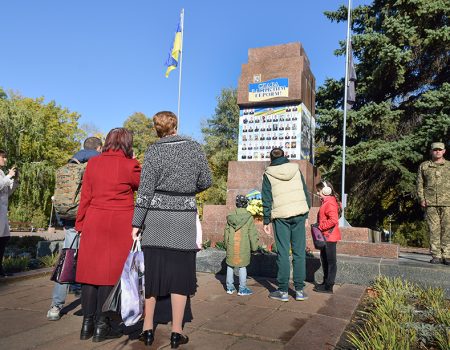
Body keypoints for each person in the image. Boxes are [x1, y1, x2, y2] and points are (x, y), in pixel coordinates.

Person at [131, 111, 212, 348]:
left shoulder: (154, 150)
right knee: (180, 276)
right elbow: (206, 180)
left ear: (157, 129)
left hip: (155, 220)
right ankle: (176, 332)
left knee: (152, 275)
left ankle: (147, 330)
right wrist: (187, 190)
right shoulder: (195, 147)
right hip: (183, 220)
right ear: (175, 125)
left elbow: (145, 190)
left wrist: (136, 223)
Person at [75, 128, 141, 342]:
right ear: (127, 144)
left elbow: (85, 196)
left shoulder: (93, 163)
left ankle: (87, 325)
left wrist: (80, 224)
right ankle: (103, 325)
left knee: (89, 274)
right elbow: (142, 186)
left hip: (94, 220)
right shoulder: (131, 165)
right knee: (109, 275)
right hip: (120, 223)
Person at [47, 136, 102, 321]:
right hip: (88, 219)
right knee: (94, 261)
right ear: (99, 148)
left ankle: (55, 306)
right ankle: (94, 310)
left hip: (68, 219)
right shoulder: (96, 163)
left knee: (68, 257)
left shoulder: (67, 166)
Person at [262, 148, 310, 302]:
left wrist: (266, 220)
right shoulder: (296, 169)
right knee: (299, 252)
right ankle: (300, 290)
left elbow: (267, 198)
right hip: (299, 214)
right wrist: (307, 214)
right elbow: (304, 191)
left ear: (271, 158)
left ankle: (282, 291)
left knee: (283, 253)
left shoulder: (268, 174)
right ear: (285, 156)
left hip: (281, 216)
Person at [416, 142, 450, 265]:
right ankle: (436, 255)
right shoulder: (424, 166)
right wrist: (422, 199)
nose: (437, 152)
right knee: (433, 229)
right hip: (430, 203)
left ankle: (447, 255)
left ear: (444, 151)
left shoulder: (449, 166)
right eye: (435, 150)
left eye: (440, 150)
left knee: (447, 229)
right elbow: (419, 184)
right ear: (431, 151)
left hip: (448, 203)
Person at [224, 195, 259, 296]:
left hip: (232, 245)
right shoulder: (248, 217)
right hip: (243, 246)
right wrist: (254, 247)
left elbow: (226, 232)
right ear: (246, 204)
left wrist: (226, 244)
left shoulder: (230, 216)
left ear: (236, 204)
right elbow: (252, 233)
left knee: (230, 265)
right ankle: (242, 289)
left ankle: (230, 288)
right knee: (242, 266)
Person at [313, 181, 341, 294]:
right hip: (325, 237)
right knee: (325, 260)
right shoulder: (326, 202)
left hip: (330, 237)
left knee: (330, 262)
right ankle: (325, 283)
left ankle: (329, 287)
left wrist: (320, 226)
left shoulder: (330, 203)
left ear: (325, 191)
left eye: (319, 191)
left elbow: (333, 220)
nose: (318, 193)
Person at [0, 150, 18, 277]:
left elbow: (6, 192)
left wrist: (14, 180)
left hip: (2, 212)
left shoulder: (1, 173)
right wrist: (8, 177)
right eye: (3, 157)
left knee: (4, 238)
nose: (5, 160)